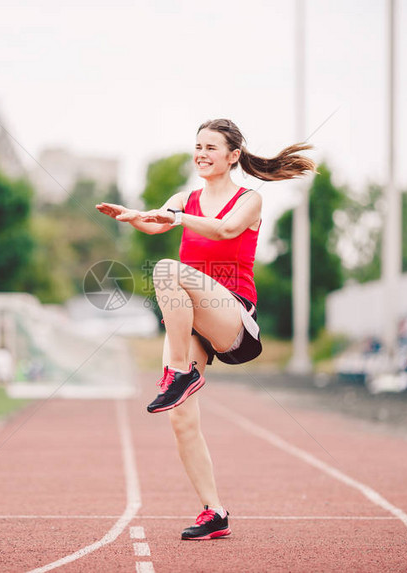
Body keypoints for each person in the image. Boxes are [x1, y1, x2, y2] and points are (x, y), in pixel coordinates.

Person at [96, 119, 315, 540]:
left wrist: (176, 218)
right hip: (192, 320)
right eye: (197, 146)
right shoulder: (184, 198)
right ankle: (214, 511)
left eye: (211, 147)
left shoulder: (247, 199)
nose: (201, 154)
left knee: (165, 268)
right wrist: (133, 217)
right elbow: (158, 222)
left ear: (233, 155)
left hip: (232, 314)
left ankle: (179, 372)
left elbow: (226, 229)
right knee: (181, 420)